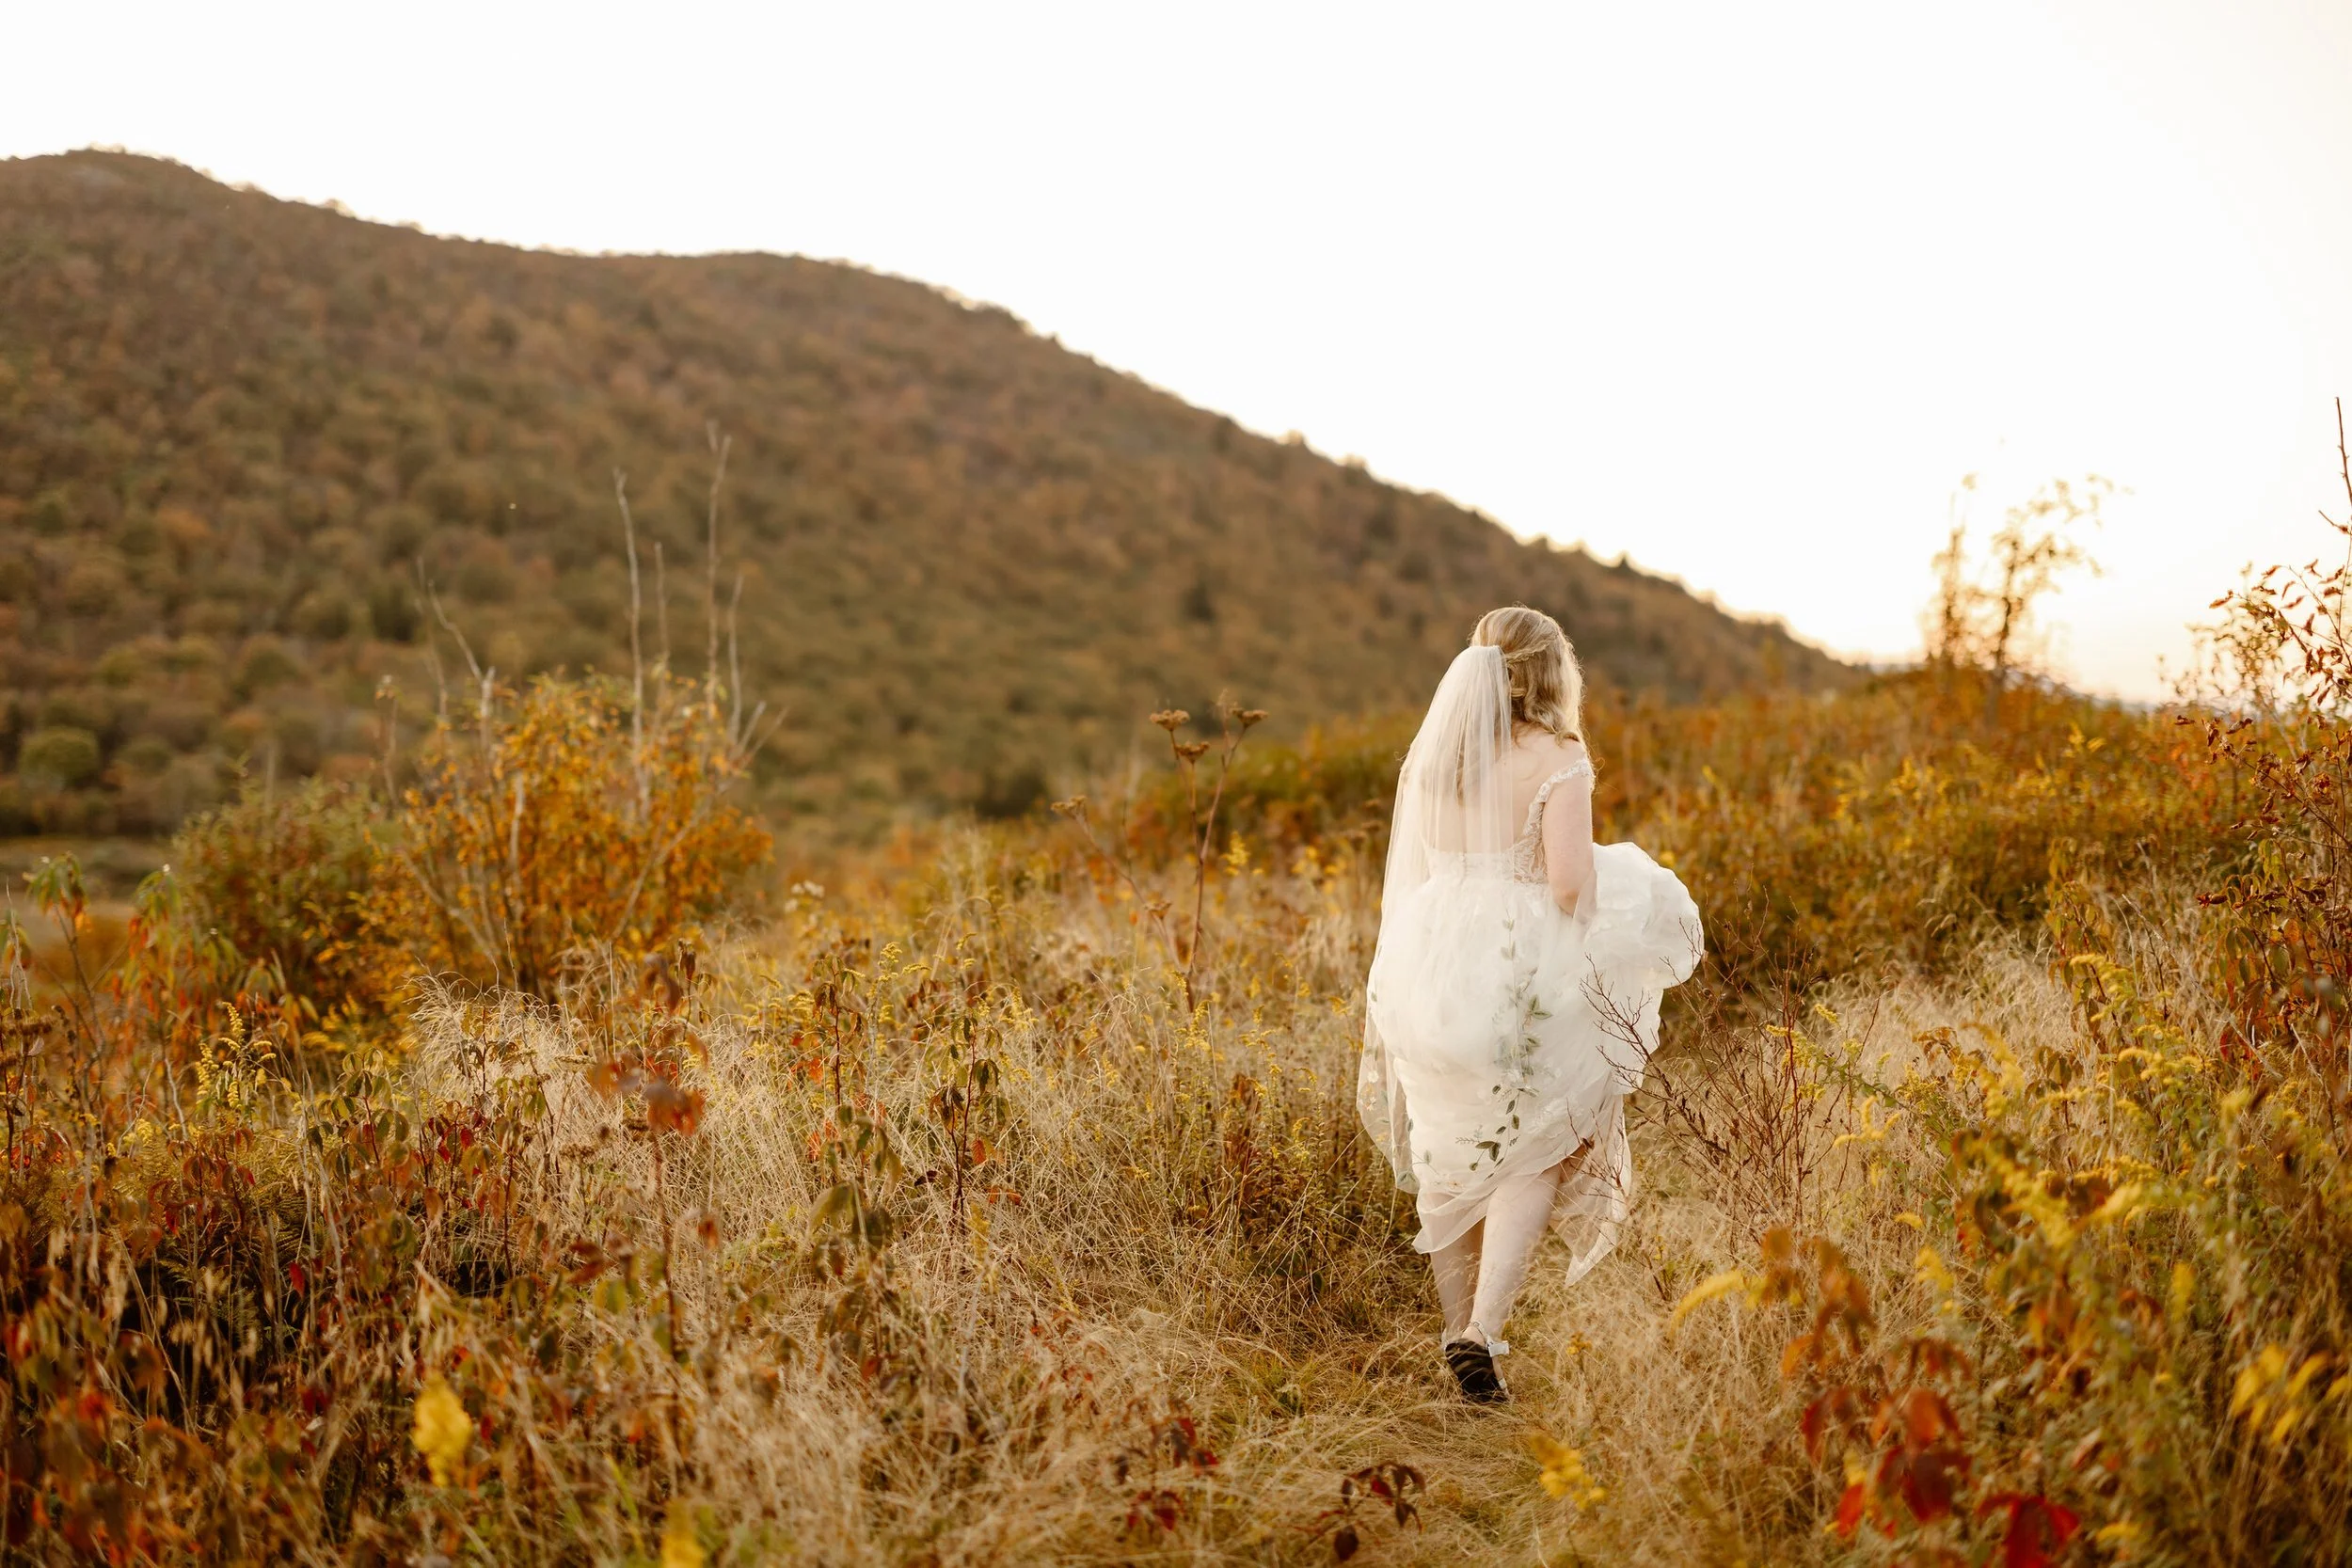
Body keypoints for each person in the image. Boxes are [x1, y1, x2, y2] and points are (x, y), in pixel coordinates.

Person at [1358, 607, 1702, 1403]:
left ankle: (1455, 1333)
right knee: (1536, 1149)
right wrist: (1638, 888)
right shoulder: (1559, 755)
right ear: (1552, 672)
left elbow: (1421, 865)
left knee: (1450, 1148)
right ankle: (1482, 1330)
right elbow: (1571, 882)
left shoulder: (1438, 757)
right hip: (1517, 972)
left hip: (1428, 966)